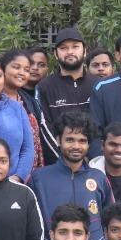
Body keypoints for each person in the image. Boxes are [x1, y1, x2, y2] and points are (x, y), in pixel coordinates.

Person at [27, 111, 113, 240]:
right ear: (58, 140)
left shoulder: (99, 178)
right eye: (70, 140)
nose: (76, 146)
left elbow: (111, 219)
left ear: (88, 144)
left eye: (82, 141)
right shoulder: (39, 179)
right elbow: (29, 223)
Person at [37, 27, 94, 161]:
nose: (70, 52)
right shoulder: (45, 87)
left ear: (85, 51)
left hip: (94, 165)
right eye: (63, 48)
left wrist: (93, 160)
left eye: (75, 47)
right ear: (56, 54)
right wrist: (64, 161)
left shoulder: (98, 85)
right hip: (57, 164)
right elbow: (45, 129)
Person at [1, 46, 45, 170]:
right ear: (3, 68)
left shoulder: (29, 101)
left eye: (26, 70)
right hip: (3, 171)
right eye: (16, 67)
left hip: (30, 170)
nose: (21, 73)